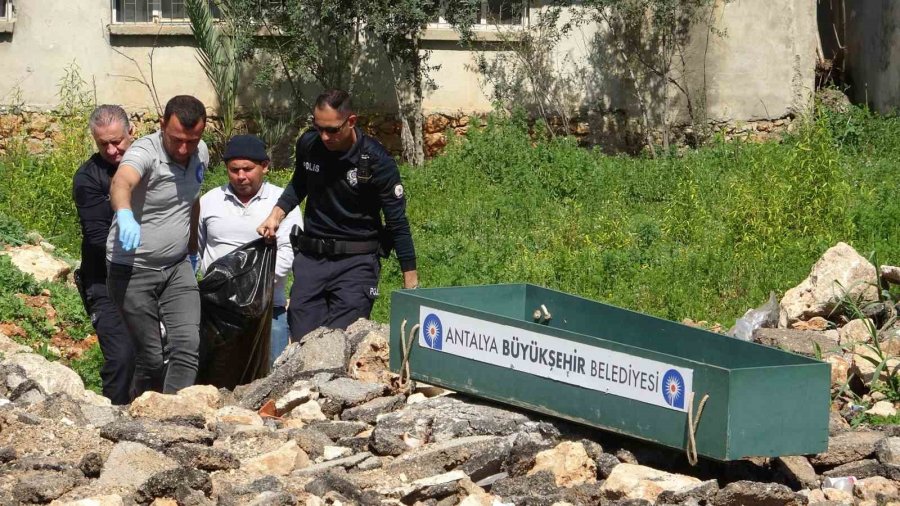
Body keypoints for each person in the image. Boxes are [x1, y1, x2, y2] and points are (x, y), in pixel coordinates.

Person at [257, 89, 418, 341]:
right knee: (303, 342)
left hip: (356, 262)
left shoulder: (376, 160)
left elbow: (397, 222)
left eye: (332, 130)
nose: (324, 136)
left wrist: (411, 281)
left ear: (351, 121)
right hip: (312, 260)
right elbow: (299, 183)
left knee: (341, 342)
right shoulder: (309, 144)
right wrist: (275, 215)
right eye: (318, 127)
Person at [106, 95, 209, 396]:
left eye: (192, 140)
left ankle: (176, 415)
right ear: (162, 124)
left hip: (177, 267)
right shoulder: (145, 151)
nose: (183, 149)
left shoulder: (200, 152)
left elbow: (191, 200)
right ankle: (137, 413)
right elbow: (121, 182)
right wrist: (124, 214)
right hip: (133, 269)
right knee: (151, 357)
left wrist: (191, 248)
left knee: (187, 346)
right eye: (176, 139)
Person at [198, 134, 302, 366]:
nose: (241, 176)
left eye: (247, 168)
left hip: (267, 312)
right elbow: (196, 250)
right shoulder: (210, 201)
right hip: (217, 314)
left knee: (269, 380)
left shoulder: (282, 203)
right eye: (234, 170)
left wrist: (247, 289)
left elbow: (288, 253)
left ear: (264, 166)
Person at [72, 104, 136, 405]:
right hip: (104, 281)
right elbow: (98, 237)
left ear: (131, 132)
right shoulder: (89, 178)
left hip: (150, 276)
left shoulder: (150, 163)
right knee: (121, 355)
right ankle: (114, 417)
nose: (111, 150)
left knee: (158, 354)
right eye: (103, 144)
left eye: (117, 141)